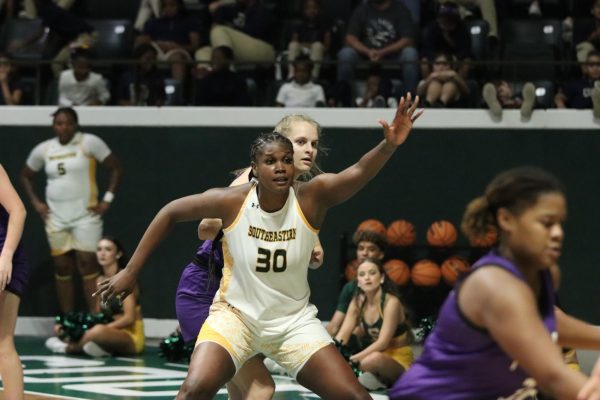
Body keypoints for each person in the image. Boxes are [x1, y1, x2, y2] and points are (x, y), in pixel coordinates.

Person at [96, 94, 422, 400]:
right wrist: (130, 270)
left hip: (291, 321)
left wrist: (389, 145)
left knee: (352, 396)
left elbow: (359, 171)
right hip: (232, 311)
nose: (281, 166)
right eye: (271, 160)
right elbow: (173, 213)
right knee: (205, 389)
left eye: (287, 159)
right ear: (255, 167)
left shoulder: (312, 195)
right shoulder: (233, 200)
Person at [390, 166, 600, 400]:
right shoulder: (494, 286)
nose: (558, 233)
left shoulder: (543, 273)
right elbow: (553, 377)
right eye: (547, 223)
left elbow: (550, 323)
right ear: (506, 219)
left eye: (561, 223)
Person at [173, 113, 327, 399]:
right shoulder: (253, 181)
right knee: (260, 387)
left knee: (242, 391)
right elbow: (206, 227)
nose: (309, 150)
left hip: (248, 302)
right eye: (301, 142)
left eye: (314, 143)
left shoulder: (296, 190)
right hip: (210, 290)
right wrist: (246, 230)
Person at [20, 107, 123, 315]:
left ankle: (96, 317)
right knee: (62, 268)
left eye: (68, 123)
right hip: (56, 218)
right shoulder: (45, 149)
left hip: (86, 216)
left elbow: (116, 168)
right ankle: (68, 321)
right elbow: (25, 175)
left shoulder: (89, 142)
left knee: (88, 264)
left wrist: (106, 200)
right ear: (53, 126)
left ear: (75, 124)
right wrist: (36, 203)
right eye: (59, 123)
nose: (63, 127)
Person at [45, 236, 144, 357]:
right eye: (99, 249)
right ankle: (103, 349)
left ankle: (68, 348)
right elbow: (98, 315)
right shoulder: (100, 280)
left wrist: (102, 328)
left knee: (97, 331)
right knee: (60, 327)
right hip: (107, 330)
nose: (102, 253)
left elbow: (129, 318)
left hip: (131, 336)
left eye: (108, 249)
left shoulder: (125, 280)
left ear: (118, 254)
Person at [335, 258, 413, 392]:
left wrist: (352, 360)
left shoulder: (391, 302)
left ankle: (376, 378)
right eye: (362, 274)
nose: (367, 278)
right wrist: (330, 357)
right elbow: (341, 337)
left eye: (372, 273)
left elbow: (382, 343)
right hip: (371, 357)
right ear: (358, 282)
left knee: (372, 359)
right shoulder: (357, 302)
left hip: (398, 359)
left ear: (381, 278)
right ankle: (376, 380)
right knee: (338, 360)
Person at [337, 0, 419, 95]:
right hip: (365, 55)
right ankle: (344, 100)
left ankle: (409, 100)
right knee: (345, 54)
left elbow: (408, 39)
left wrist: (382, 52)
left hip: (393, 55)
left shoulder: (400, 9)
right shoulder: (362, 9)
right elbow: (350, 37)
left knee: (410, 54)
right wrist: (368, 52)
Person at [8, 0, 97, 78]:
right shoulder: (50, 10)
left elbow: (40, 33)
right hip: (76, 40)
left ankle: (63, 87)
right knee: (61, 61)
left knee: (56, 63)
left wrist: (21, 44)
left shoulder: (50, 11)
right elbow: (53, 35)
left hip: (86, 38)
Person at [326, 229, 387, 338]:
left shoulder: (390, 292)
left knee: (358, 330)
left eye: (371, 249)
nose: (364, 253)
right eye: (361, 248)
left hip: (386, 346)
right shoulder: (350, 289)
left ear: (381, 254)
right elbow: (334, 325)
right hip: (359, 343)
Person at [0, 164, 28, 400]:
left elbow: (18, 210)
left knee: (3, 341)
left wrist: (6, 255)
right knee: (3, 343)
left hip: (3, 254)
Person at [135, 0, 200, 83]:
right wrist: (159, 44)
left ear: (179, 6)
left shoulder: (189, 21)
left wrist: (178, 47)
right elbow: (145, 40)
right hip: (157, 49)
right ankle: (140, 85)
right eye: (165, 5)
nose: (168, 8)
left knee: (177, 58)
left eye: (172, 5)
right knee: (141, 45)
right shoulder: (154, 22)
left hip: (178, 50)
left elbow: (195, 45)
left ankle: (176, 92)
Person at [286, 0, 332, 80]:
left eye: (315, 8)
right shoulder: (298, 25)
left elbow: (327, 46)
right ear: (304, 10)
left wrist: (312, 45)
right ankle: (292, 76)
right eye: (308, 8)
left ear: (319, 10)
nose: (311, 11)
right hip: (302, 51)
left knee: (317, 45)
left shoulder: (324, 25)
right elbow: (295, 41)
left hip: (318, 50)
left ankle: (313, 77)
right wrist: (307, 46)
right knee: (293, 45)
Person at [555, 50, 600, 118]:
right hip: (579, 119)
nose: (595, 68)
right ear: (586, 68)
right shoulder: (577, 85)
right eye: (591, 65)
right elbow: (559, 97)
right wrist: (565, 115)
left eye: (598, 65)